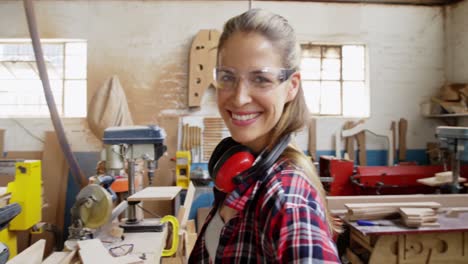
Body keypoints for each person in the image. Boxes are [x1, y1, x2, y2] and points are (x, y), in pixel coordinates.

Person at [188, 8, 341, 263]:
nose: (239, 98)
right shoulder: (244, 173)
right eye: (227, 77)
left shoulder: (286, 197)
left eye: (260, 79)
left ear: (291, 86)